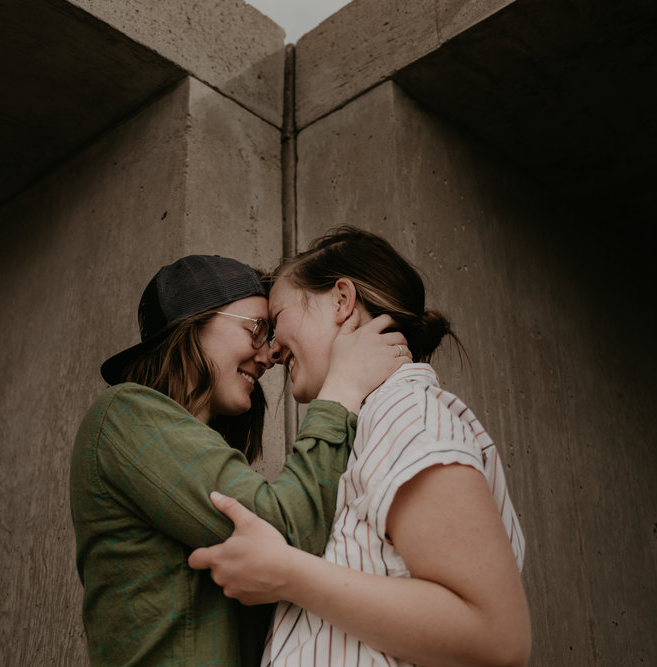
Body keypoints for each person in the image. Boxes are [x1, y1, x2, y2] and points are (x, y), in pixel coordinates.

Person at [188, 229, 531, 666]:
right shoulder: (368, 428)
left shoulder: (404, 411)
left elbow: (496, 637)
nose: (271, 352)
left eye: (276, 321)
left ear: (341, 300)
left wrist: (287, 574)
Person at [69, 254, 411, 666]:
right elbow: (285, 534)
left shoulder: (193, 451)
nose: (269, 357)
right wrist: (341, 390)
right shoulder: (121, 415)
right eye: (257, 329)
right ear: (193, 325)